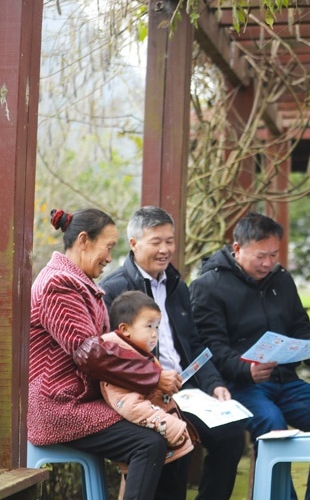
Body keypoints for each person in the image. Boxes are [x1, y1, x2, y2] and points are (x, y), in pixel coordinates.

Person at [189, 212, 310, 500]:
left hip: (286, 381)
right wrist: (246, 370)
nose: (268, 263)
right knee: (274, 427)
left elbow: (300, 325)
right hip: (239, 386)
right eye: (261, 256)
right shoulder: (208, 286)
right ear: (237, 249)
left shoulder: (281, 279)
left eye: (273, 255)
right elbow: (210, 346)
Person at [29, 208, 178, 500]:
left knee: (170, 428)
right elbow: (90, 354)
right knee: (149, 443)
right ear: (84, 240)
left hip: (82, 401)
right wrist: (152, 377)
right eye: (108, 247)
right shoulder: (58, 284)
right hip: (60, 407)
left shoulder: (79, 283)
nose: (110, 257)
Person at [100, 206, 245, 500]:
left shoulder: (177, 285)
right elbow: (112, 355)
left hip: (186, 389)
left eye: (169, 241)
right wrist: (155, 378)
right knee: (176, 440)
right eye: (156, 242)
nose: (165, 249)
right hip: (147, 395)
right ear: (134, 243)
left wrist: (214, 383)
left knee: (231, 435)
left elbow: (193, 342)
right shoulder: (114, 289)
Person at [102, 291, 195, 464]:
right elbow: (131, 406)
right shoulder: (119, 364)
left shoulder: (144, 357)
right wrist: (172, 426)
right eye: (149, 326)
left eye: (157, 327)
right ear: (125, 329)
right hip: (155, 445)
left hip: (169, 444)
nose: (155, 334)